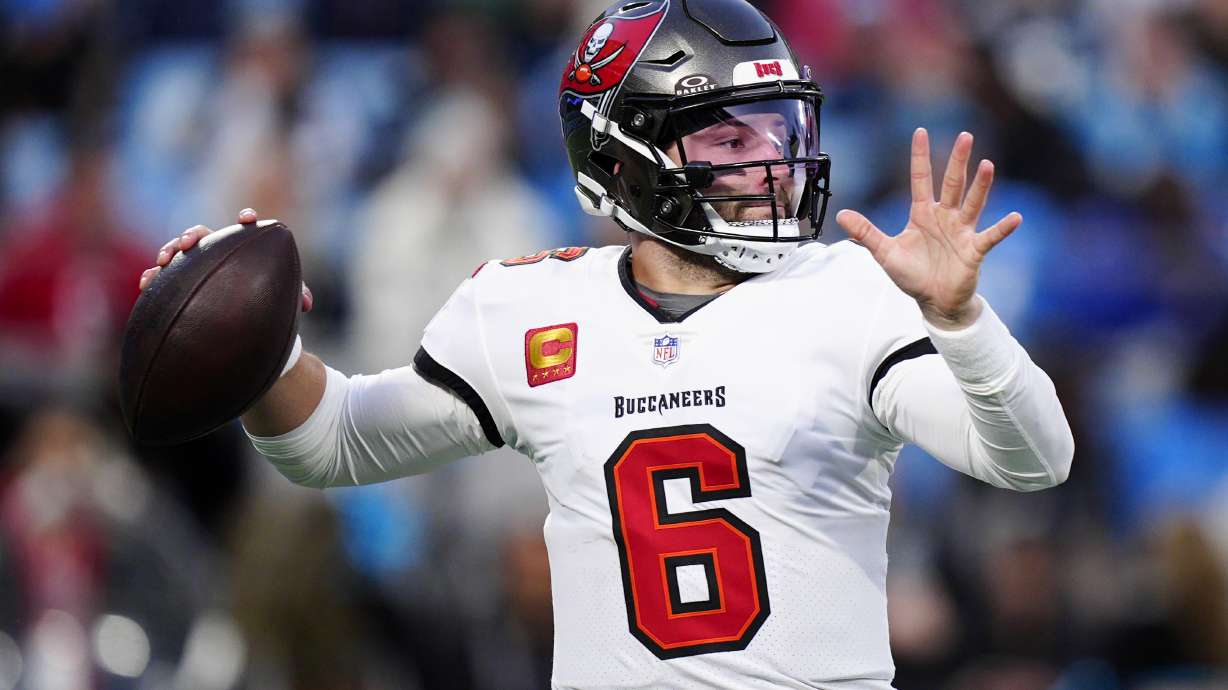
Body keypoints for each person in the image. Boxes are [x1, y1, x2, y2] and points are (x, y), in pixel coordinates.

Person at [137, 0, 1074, 687]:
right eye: (725, 140)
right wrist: (252, 345)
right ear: (622, 159)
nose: (770, 163)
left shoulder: (848, 292)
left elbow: (1035, 459)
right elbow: (333, 442)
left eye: (776, 129)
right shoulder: (529, 310)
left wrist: (961, 320)